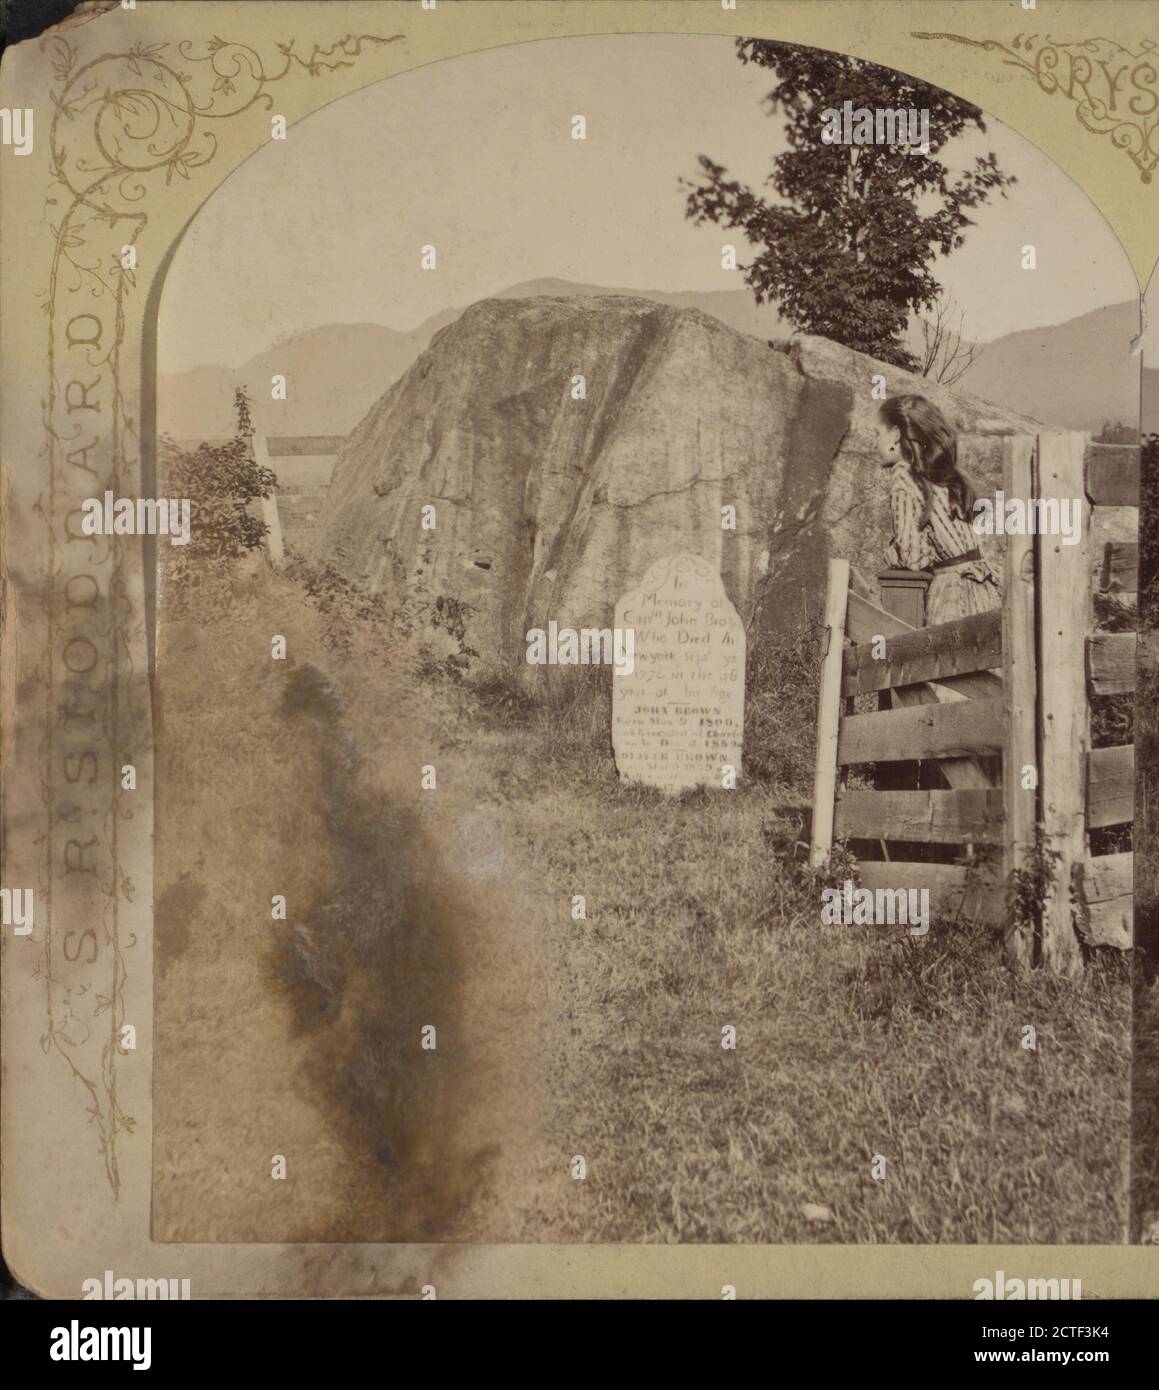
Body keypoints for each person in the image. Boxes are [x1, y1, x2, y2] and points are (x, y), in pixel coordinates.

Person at [874, 394, 1001, 625]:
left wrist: (892, 552)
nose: (876, 442)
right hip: (984, 589)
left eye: (878, 433)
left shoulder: (903, 477)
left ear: (895, 435)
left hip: (951, 598)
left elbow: (914, 558)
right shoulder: (944, 477)